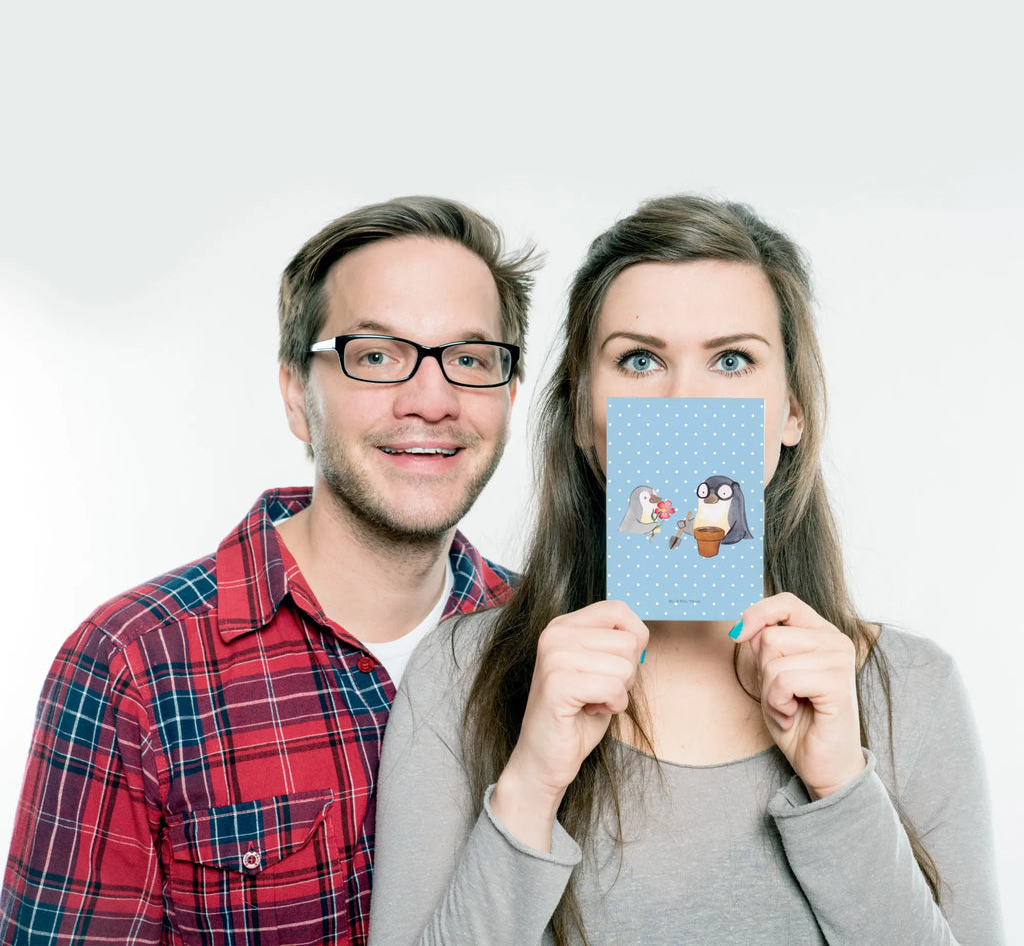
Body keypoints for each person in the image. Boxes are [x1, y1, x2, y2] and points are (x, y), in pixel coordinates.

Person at [368, 195, 1004, 945]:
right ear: (581, 412)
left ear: (792, 411)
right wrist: (531, 783)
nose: (686, 400)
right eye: (640, 360)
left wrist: (840, 788)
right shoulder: (459, 676)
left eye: (732, 360)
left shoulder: (912, 691)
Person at [0, 196, 537, 945]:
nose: (432, 400)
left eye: (471, 360)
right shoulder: (130, 666)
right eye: (376, 356)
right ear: (296, 395)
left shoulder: (546, 637)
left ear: (509, 396)